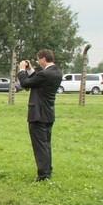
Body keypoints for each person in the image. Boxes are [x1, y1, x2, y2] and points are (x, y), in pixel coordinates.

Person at [17, 49, 63, 181]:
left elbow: (25, 83)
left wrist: (21, 70)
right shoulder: (57, 72)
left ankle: (43, 174)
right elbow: (37, 81)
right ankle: (48, 169)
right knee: (46, 143)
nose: (38, 62)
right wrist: (31, 70)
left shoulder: (45, 74)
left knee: (40, 145)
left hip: (38, 114)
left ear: (43, 59)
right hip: (48, 113)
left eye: (38, 59)